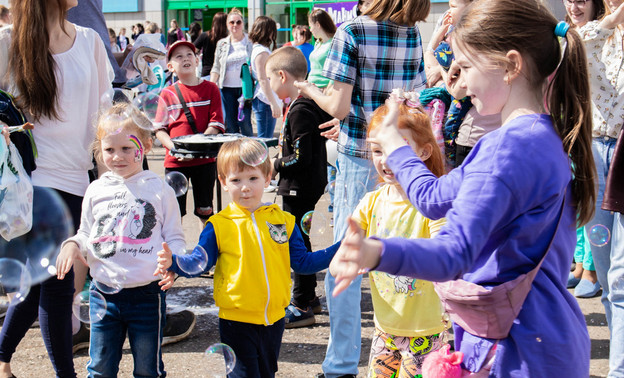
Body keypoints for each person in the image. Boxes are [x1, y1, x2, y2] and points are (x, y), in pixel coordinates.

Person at [329, 0, 595, 376]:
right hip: (541, 338)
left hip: (517, 351)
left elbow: (453, 255)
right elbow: (434, 199)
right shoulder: (538, 134)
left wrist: (373, 252)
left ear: (512, 66)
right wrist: (398, 149)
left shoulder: (507, 149)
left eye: (467, 66)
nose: (461, 81)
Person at [294, 0, 430, 375]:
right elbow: (412, 101)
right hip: (401, 156)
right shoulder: (411, 31)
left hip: (359, 155)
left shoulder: (352, 31)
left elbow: (337, 105)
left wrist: (308, 88)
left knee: (346, 260)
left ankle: (340, 365)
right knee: (400, 253)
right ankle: (408, 353)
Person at [155, 138, 341, 378]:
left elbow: (303, 263)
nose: (245, 187)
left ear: (267, 178)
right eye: (236, 180)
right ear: (223, 182)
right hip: (236, 320)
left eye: (253, 178)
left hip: (274, 319)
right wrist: (175, 263)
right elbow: (198, 263)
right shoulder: (219, 225)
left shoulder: (283, 220)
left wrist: (342, 248)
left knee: (266, 373)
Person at [0, 0, 113, 376]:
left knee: (37, 287)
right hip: (31, 182)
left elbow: (102, 118)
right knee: (58, 283)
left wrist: (108, 181)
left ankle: (1, 358)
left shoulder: (90, 41)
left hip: (77, 178)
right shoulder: (8, 42)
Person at [55, 104, 183, 378]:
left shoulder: (160, 190)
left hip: (148, 294)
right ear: (98, 150)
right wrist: (72, 244)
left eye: (127, 148)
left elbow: (174, 238)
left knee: (148, 370)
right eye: (109, 150)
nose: (117, 157)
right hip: (103, 294)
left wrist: (174, 263)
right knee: (100, 368)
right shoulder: (96, 189)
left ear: (147, 146)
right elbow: (87, 233)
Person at [356, 93, 449, 378]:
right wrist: (348, 259)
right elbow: (349, 246)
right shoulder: (370, 203)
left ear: (423, 152)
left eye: (397, 148)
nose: (385, 160)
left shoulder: (433, 203)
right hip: (384, 329)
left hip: (426, 330)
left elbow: (445, 252)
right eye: (377, 150)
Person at [266, 47, 333, 328]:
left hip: (298, 187)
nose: (269, 84)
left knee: (296, 246)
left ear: (282, 76)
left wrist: (276, 165)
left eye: (270, 79)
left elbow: (301, 157)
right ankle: (309, 297)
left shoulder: (301, 109)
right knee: (299, 241)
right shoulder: (302, 104)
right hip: (300, 185)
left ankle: (302, 302)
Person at [579, 1, 624, 375]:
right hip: (595, 150)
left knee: (621, 276)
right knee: (608, 273)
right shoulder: (596, 35)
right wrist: (610, 21)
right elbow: (577, 44)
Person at [156, 41, 225, 227]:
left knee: (206, 210)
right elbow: (160, 129)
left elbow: (216, 123)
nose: (185, 58)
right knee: (174, 213)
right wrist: (176, 149)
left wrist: (196, 146)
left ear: (197, 60)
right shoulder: (166, 93)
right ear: (170, 66)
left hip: (204, 161)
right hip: (175, 162)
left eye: (189, 54)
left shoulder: (211, 89)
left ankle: (206, 250)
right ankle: (176, 251)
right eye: (178, 56)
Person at [563, 0, 604, 299]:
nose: (574, 6)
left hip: (595, 130)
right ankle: (578, 264)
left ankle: (591, 269)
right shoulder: (563, 34)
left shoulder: (602, 32)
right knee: (574, 199)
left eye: (581, 0)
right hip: (568, 127)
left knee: (591, 201)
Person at [210, 8, 253, 136]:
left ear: (243, 24)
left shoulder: (250, 41)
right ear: (227, 25)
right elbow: (216, 67)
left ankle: (250, 152)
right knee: (231, 124)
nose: (235, 25)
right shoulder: (222, 44)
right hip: (226, 88)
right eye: (232, 22)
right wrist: (211, 86)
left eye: (238, 22)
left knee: (245, 123)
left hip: (245, 88)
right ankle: (234, 154)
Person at [249, 16, 282, 138]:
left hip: (264, 98)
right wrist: (273, 103)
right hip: (264, 99)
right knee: (265, 140)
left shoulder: (259, 50)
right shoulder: (261, 52)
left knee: (265, 138)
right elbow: (263, 79)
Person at [194, 12, 228, 79]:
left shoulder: (205, 35)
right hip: (224, 74)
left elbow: (193, 50)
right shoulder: (227, 38)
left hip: (207, 72)